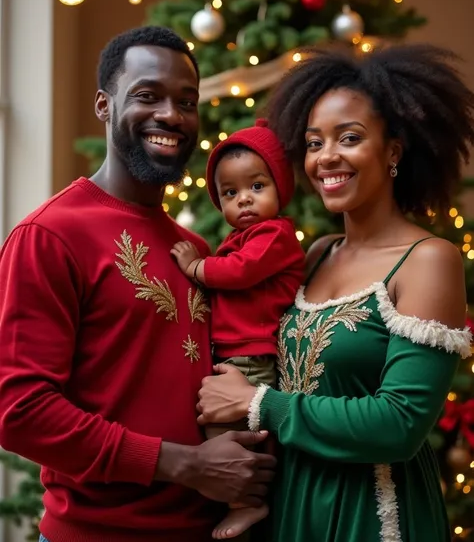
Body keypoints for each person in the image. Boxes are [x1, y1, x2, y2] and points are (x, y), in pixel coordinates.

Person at [0, 26, 276, 542]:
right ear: (104, 106)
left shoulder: (196, 249)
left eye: (187, 101)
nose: (171, 115)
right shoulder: (49, 235)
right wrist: (184, 465)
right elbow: (21, 413)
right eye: (147, 96)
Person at [196, 44, 474, 542]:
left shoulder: (430, 260)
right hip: (293, 503)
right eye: (313, 142)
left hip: (371, 512)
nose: (327, 157)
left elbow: (399, 425)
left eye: (349, 138)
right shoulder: (317, 254)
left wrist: (258, 402)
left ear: (393, 150)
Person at [171, 120, 305, 539]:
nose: (243, 199)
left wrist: (196, 268)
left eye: (257, 186)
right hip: (231, 352)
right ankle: (244, 501)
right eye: (230, 193)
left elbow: (240, 273)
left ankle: (247, 503)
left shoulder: (275, 235)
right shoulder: (240, 236)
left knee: (228, 435)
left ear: (280, 188)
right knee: (220, 430)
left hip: (252, 353)